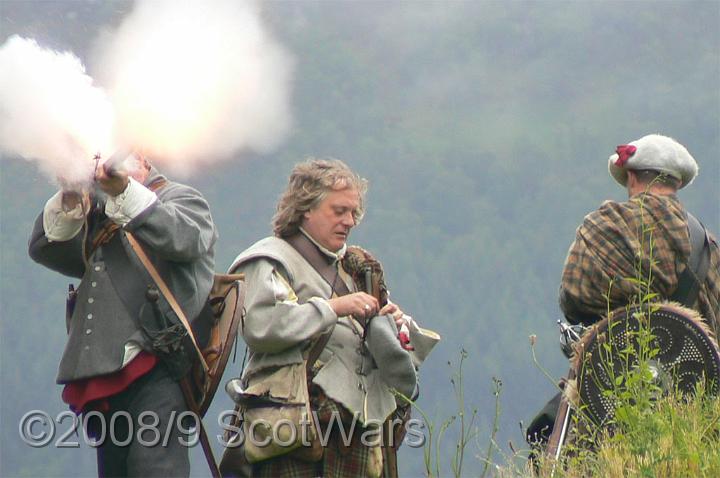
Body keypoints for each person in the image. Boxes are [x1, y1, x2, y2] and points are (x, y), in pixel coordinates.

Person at [225, 158, 437, 478]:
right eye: (339, 211)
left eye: (353, 212)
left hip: (360, 434)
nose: (349, 221)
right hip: (296, 431)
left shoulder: (358, 268)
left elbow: (393, 354)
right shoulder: (270, 260)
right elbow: (262, 326)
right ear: (305, 208)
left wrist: (395, 325)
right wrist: (335, 307)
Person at [28, 150, 218, 477]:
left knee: (155, 469)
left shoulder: (181, 197)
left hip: (160, 364)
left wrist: (123, 191)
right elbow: (47, 249)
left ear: (142, 159)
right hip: (106, 366)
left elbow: (184, 239)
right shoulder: (100, 210)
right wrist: (73, 195)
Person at [526, 133, 720, 450]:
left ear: (631, 177)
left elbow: (573, 298)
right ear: (676, 183)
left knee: (546, 440)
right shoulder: (710, 251)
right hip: (695, 420)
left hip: (608, 405)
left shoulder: (606, 226)